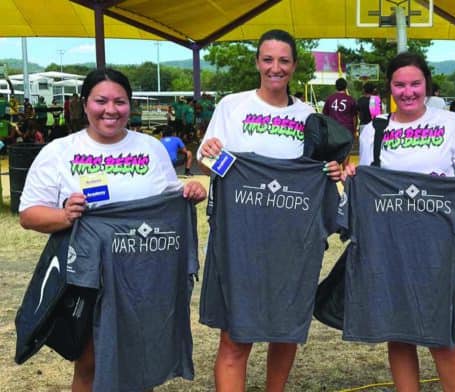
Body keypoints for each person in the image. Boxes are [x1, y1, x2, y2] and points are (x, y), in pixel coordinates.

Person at [18, 68, 207, 392]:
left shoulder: (150, 148)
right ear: (85, 103)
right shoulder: (59, 152)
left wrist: (189, 192)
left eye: (119, 101)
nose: (110, 109)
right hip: (88, 277)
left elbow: (167, 200)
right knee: (90, 361)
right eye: (101, 100)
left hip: (145, 276)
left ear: (129, 105)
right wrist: (65, 216)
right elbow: (29, 214)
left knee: (141, 359)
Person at [197, 29, 342, 392]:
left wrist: (332, 171)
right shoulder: (232, 106)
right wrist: (210, 153)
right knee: (235, 335)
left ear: (294, 66)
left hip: (292, 240)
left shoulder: (309, 116)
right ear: (257, 62)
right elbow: (205, 160)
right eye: (267, 59)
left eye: (283, 60)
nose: (275, 68)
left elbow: (319, 171)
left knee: (286, 330)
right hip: (239, 238)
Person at [342, 52, 455, 392]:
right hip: (389, 243)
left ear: (426, 84)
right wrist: (353, 176)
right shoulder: (374, 130)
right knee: (398, 331)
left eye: (415, 84)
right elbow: (369, 184)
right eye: (399, 85)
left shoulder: (450, 124)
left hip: (439, 244)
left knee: (442, 333)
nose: (408, 92)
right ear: (389, 88)